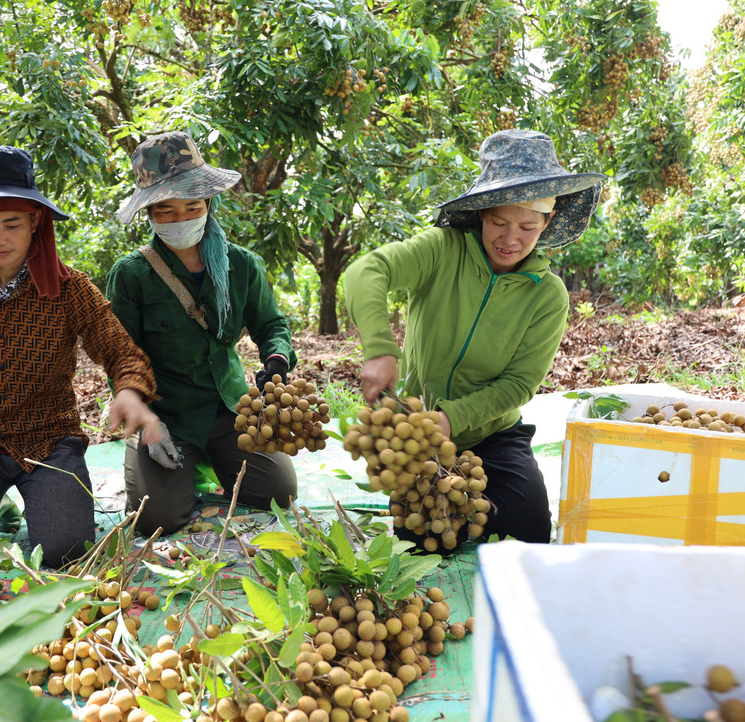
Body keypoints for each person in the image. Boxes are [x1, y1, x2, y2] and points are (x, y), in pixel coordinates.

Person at [343, 129, 606, 547]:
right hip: (417, 425)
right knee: (420, 536)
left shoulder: (548, 294)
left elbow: (519, 385)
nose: (511, 239)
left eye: (528, 226)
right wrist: (379, 349)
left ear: (548, 222)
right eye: (499, 222)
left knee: (530, 529)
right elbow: (364, 273)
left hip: (492, 433)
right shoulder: (442, 250)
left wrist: (453, 419)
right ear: (482, 212)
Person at [0, 145, 172, 568]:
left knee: (63, 551)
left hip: (48, 439)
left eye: (12, 224)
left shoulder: (69, 288)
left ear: (36, 222)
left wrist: (130, 390)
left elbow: (118, 349)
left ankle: (34, 502)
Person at [105, 131, 299, 536]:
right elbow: (120, 353)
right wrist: (145, 418)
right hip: (167, 414)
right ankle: (166, 470)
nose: (180, 219)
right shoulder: (131, 275)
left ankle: (213, 460)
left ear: (208, 204)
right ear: (150, 215)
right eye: (166, 211)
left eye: (191, 207)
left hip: (230, 409)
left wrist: (276, 359)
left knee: (279, 494)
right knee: (158, 520)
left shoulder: (240, 264)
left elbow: (271, 324)